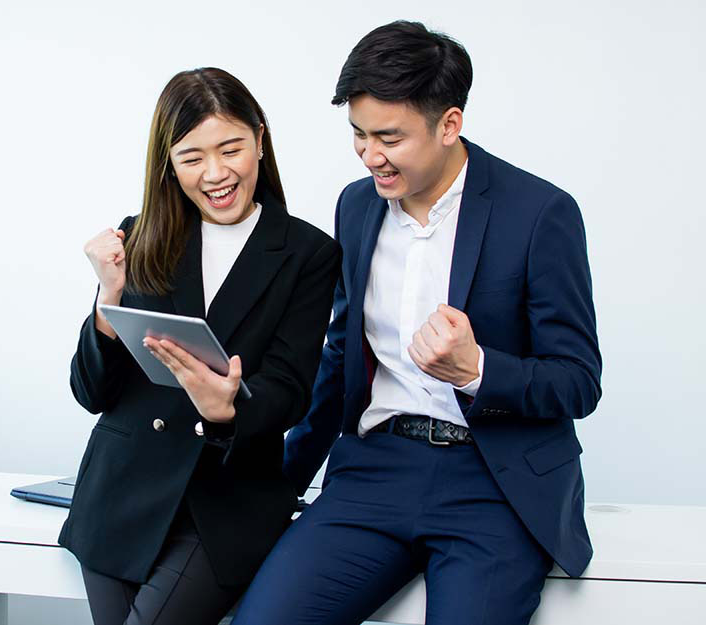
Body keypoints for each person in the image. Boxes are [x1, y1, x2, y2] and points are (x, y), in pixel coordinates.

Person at [233, 21, 602, 625]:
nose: (370, 155)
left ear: (449, 124)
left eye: (389, 137)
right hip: (373, 471)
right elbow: (340, 354)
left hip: (493, 484)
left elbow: (579, 380)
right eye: (358, 134)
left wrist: (477, 369)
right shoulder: (357, 206)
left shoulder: (541, 214)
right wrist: (283, 480)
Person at [58, 67, 342, 625]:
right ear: (168, 163)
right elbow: (92, 392)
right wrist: (108, 302)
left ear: (260, 138)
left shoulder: (308, 253)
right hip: (121, 494)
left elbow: (291, 389)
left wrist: (230, 408)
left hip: (226, 503)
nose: (215, 173)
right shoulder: (137, 237)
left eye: (231, 148)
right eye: (191, 157)